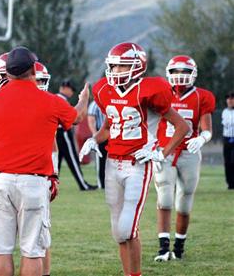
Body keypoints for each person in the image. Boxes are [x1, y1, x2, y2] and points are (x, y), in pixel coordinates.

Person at [0, 46, 89, 276]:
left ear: (7, 73)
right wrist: (83, 100)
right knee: (32, 251)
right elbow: (77, 118)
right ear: (33, 70)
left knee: (1, 250)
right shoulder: (50, 101)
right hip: (33, 182)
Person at [79, 42, 189, 276]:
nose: (116, 72)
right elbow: (109, 127)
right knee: (119, 232)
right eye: (114, 67)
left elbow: (182, 126)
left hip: (137, 165)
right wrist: (93, 139)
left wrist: (161, 152)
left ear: (138, 66)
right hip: (112, 164)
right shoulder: (104, 90)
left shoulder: (149, 90)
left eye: (122, 67)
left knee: (128, 227)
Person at [153, 55, 216, 262]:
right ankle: (163, 248)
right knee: (165, 197)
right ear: (168, 74)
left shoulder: (202, 97)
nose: (180, 76)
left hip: (189, 151)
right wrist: (151, 146)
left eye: (185, 72)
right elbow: (150, 123)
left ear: (193, 74)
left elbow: (207, 128)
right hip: (165, 150)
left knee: (185, 201)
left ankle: (179, 247)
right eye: (176, 72)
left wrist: (202, 138)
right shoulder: (160, 94)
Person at [35, 61, 59, 276]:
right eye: (37, 79)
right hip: (8, 173)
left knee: (41, 232)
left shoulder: (48, 103)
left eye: (43, 80)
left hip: (38, 176)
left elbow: (52, 142)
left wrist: (54, 174)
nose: (40, 84)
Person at [56, 79, 97, 191]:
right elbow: (76, 118)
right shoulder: (61, 99)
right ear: (64, 88)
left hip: (59, 132)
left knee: (57, 160)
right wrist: (83, 100)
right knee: (72, 158)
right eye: (71, 90)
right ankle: (82, 185)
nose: (72, 92)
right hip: (62, 132)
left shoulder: (59, 98)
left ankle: (53, 184)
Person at [87, 99, 107, 188]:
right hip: (101, 134)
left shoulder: (110, 101)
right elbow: (91, 119)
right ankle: (101, 184)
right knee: (101, 160)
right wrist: (95, 135)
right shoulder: (95, 104)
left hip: (112, 134)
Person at [222, 91, 234, 190]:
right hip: (226, 139)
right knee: (227, 162)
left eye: (232, 98)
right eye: (228, 98)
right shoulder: (224, 112)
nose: (230, 100)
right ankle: (230, 183)